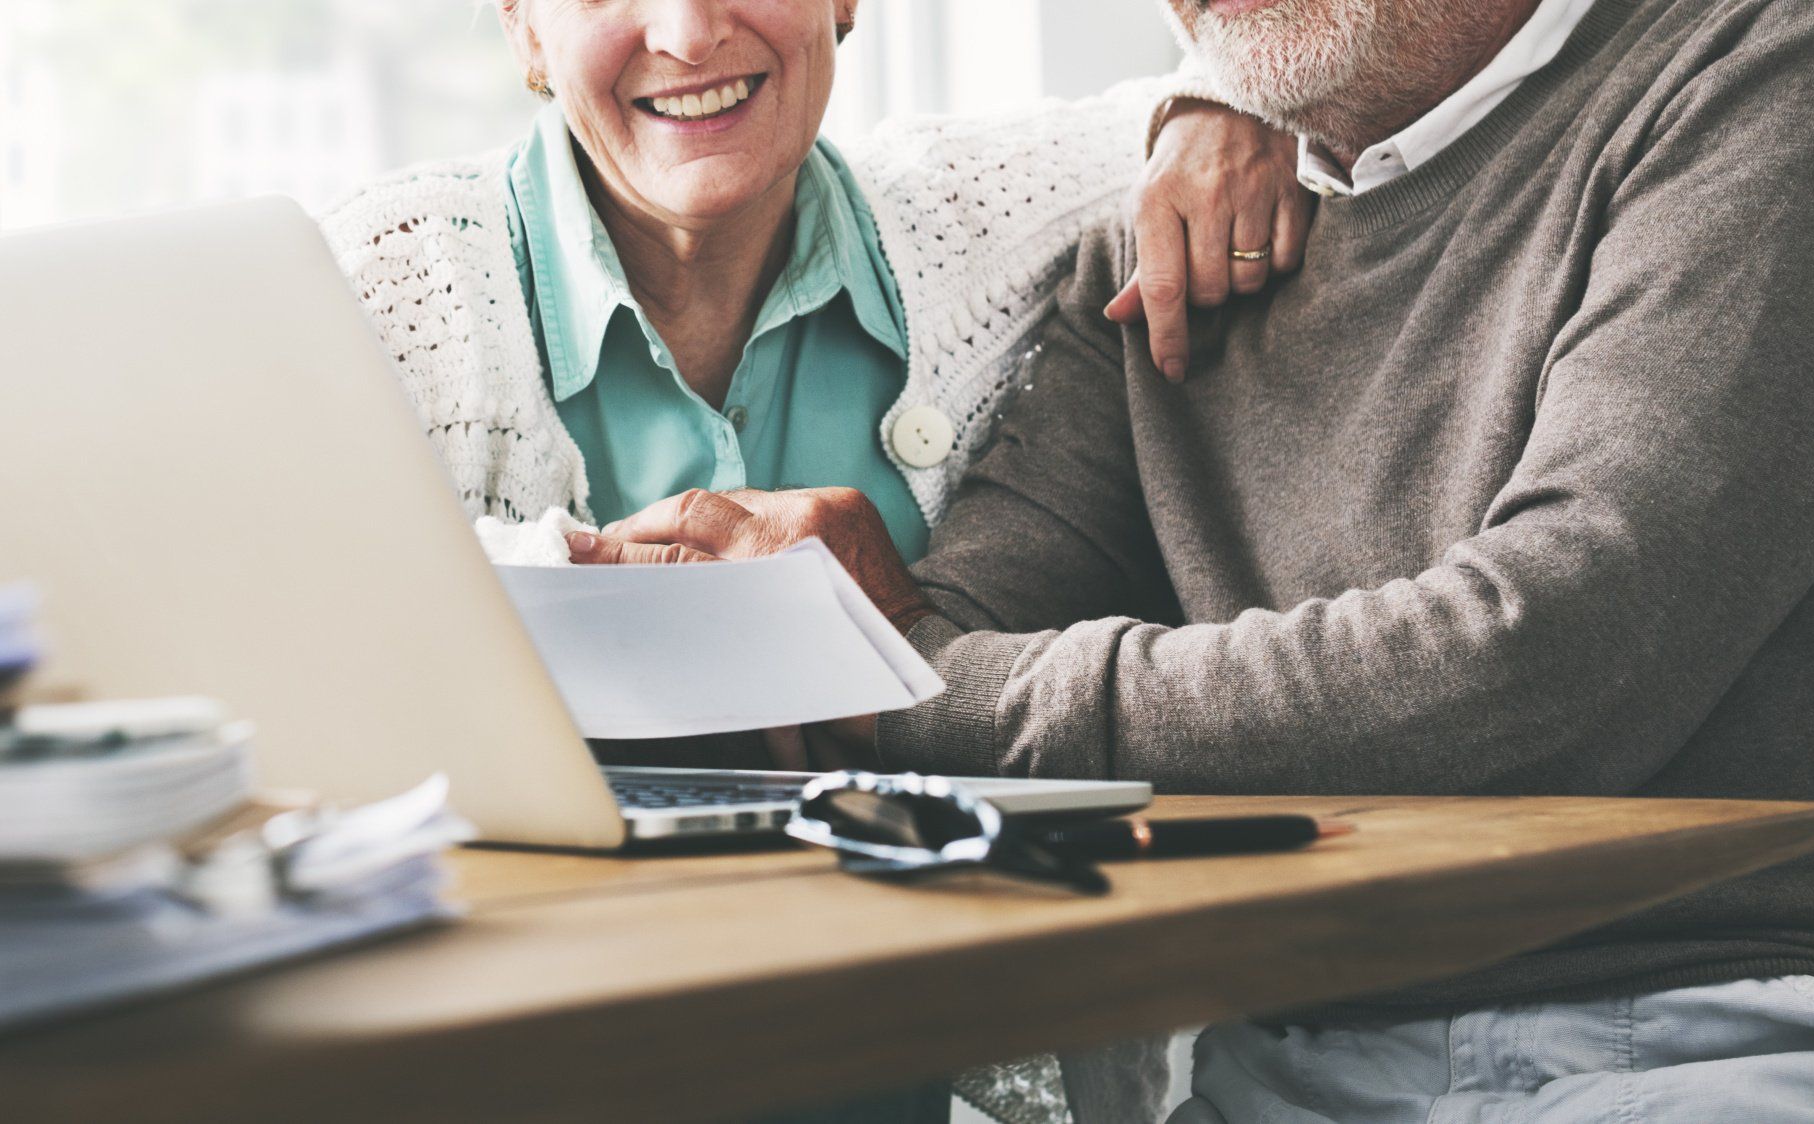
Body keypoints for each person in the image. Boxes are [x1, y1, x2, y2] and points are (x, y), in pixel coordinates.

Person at [568, 0, 1814, 1118]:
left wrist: (907, 674)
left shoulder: (1797, 63)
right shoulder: (1150, 256)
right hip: (1291, 1063)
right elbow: (947, 641)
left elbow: (1546, 659)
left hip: (1731, 1028)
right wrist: (763, 621)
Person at [318, 3, 1313, 1121]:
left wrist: (1217, 106)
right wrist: (560, 574)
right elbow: (266, 632)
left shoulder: (989, 215)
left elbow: (1260, 75)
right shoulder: (372, 284)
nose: (689, 35)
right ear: (526, 32)